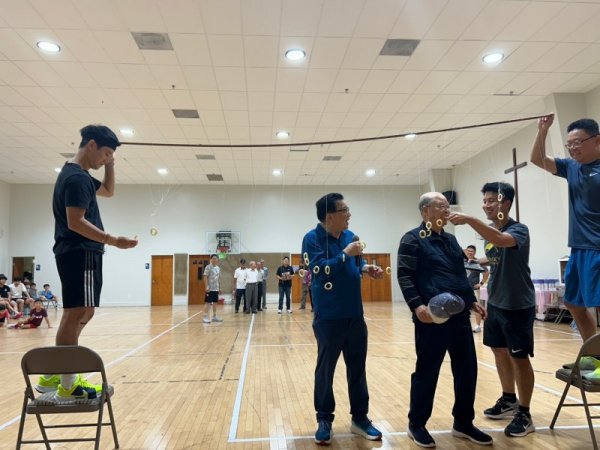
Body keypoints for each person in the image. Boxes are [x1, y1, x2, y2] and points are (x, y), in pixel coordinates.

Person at [35, 124, 138, 401]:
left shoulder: (78, 175)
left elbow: (109, 190)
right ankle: (68, 385)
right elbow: (76, 222)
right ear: (91, 145)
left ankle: (55, 373)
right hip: (80, 251)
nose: (105, 159)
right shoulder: (76, 179)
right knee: (75, 313)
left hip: (81, 252)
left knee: (85, 311)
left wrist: (111, 164)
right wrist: (113, 240)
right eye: (105, 154)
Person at [398, 192, 492, 448]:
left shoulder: (451, 240)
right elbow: (404, 275)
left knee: (467, 370)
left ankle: (463, 423)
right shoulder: (412, 239)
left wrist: (470, 301)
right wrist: (417, 306)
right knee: (427, 372)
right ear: (425, 211)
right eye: (440, 206)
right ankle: (417, 424)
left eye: (447, 206)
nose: (446, 210)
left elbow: (459, 274)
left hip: (459, 316)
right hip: (431, 318)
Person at [450, 182, 536, 437]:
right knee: (499, 351)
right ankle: (509, 399)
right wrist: (476, 261)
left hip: (517, 304)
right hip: (496, 302)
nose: (486, 205)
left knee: (519, 357)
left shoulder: (518, 230)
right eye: (484, 201)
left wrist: (469, 219)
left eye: (491, 201)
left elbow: (501, 241)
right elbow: (495, 253)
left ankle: (525, 413)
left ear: (505, 203)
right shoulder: (493, 231)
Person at [302, 192, 383, 445]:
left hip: (355, 315)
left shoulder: (351, 236)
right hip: (328, 317)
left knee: (357, 369)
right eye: (344, 210)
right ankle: (324, 419)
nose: (349, 215)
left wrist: (366, 268)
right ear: (329, 217)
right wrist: (346, 253)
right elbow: (319, 270)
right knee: (325, 370)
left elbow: (355, 265)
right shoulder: (311, 238)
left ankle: (360, 418)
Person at [530, 114, 600, 343]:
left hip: (597, 248)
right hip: (578, 248)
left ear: (597, 140)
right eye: (569, 144)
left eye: (577, 142)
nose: (572, 148)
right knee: (573, 303)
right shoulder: (571, 167)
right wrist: (542, 130)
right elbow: (538, 159)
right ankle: (594, 353)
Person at [465, 245, 489, 333]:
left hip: (474, 289)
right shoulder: (463, 261)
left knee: (477, 308)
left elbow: (486, 273)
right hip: (463, 289)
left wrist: (481, 284)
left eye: (471, 251)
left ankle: (478, 326)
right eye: (468, 251)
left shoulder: (477, 262)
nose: (469, 252)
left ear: (474, 253)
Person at [203, 254, 223, 323]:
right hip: (210, 289)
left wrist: (219, 288)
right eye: (213, 258)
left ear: (217, 260)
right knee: (208, 302)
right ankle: (205, 317)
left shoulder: (218, 268)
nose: (214, 260)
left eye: (215, 258)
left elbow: (218, 279)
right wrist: (206, 286)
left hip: (216, 288)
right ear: (211, 259)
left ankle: (214, 316)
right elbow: (205, 277)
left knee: (215, 302)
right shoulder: (208, 267)